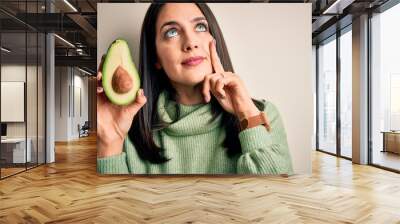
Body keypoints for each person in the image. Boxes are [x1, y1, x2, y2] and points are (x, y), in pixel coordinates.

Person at [97, 3, 294, 175]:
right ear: (155, 56)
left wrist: (246, 112)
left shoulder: (264, 115)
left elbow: (276, 203)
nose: (191, 43)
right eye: (172, 32)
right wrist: (110, 140)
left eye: (200, 26)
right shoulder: (129, 131)